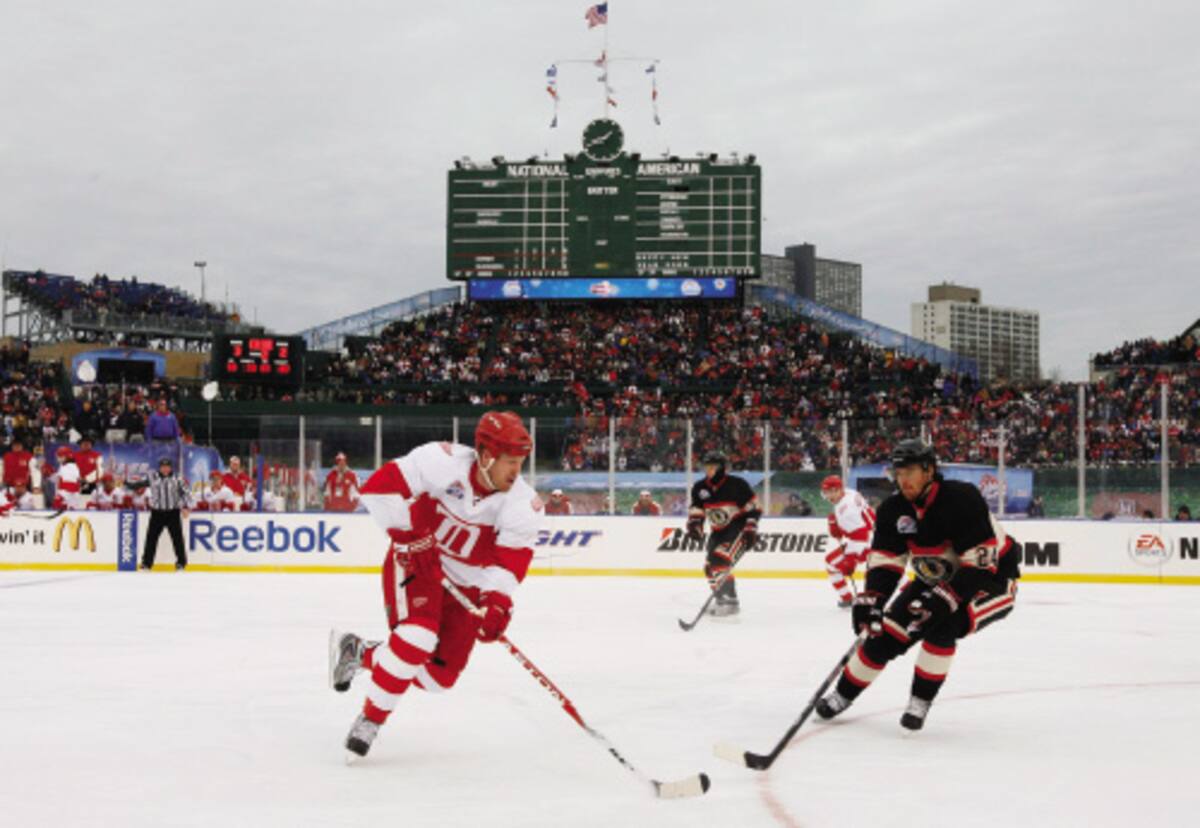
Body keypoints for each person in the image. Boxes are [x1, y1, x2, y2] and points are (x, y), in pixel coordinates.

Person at [328, 411, 542, 761]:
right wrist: (410, 539)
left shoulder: (523, 503)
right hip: (416, 563)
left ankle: (359, 652)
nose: (516, 471)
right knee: (417, 638)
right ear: (486, 456)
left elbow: (510, 561)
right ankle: (371, 719)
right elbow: (379, 490)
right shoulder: (441, 462)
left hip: (467, 585)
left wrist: (497, 602)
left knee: (437, 678)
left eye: (520, 462)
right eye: (510, 462)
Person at [815, 439, 1021, 731]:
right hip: (934, 577)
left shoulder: (962, 498)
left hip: (993, 579)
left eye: (910, 471)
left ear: (929, 470)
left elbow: (980, 564)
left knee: (943, 625)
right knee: (882, 635)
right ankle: (842, 695)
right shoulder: (892, 509)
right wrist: (871, 599)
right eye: (899, 473)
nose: (903, 480)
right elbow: (886, 562)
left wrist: (945, 597)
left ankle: (919, 702)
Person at [686, 451, 761, 618]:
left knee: (720, 559)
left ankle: (731, 601)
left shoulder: (737, 484)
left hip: (738, 529)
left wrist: (750, 527)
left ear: (722, 468)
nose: (709, 470)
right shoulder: (700, 488)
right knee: (709, 568)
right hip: (717, 531)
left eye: (713, 467)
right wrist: (695, 525)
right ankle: (721, 599)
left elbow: (754, 507)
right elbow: (697, 509)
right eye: (707, 467)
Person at [820, 474, 876, 609]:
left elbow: (860, 535)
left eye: (828, 492)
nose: (827, 496)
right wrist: (837, 526)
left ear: (837, 490)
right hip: (876, 535)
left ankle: (847, 598)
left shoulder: (847, 510)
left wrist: (851, 558)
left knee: (832, 564)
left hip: (867, 541)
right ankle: (912, 593)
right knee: (887, 568)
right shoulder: (849, 493)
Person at [140, 457, 192, 571]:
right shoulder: (153, 477)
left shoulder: (177, 478)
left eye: (167, 466)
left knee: (177, 539)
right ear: (159, 467)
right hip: (157, 512)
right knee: (151, 538)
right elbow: (139, 484)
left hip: (173, 512)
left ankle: (181, 563)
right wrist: (126, 483)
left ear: (170, 467)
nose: (165, 469)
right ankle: (146, 563)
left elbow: (187, 493)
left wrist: (186, 506)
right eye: (163, 467)